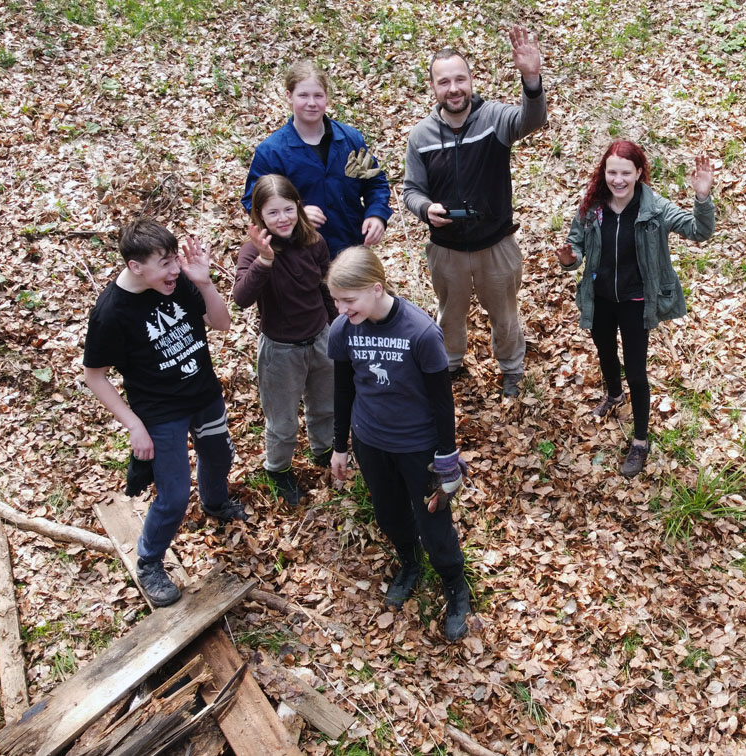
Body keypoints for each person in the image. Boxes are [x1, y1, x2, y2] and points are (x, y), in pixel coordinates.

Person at [83, 219, 247, 607]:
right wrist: (135, 426)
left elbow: (221, 324)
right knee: (173, 495)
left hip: (204, 394)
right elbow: (94, 376)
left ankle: (214, 502)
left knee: (220, 457)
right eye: (164, 263)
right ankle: (150, 561)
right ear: (135, 266)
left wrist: (204, 282)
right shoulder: (111, 313)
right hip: (160, 413)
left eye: (175, 259)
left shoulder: (179, 283)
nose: (174, 270)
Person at [326, 246, 473, 641]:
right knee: (389, 514)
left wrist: (446, 456)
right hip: (371, 442)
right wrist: (340, 444)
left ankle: (455, 585)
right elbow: (342, 389)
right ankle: (409, 563)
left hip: (418, 447)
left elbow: (443, 401)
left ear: (375, 289)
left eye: (348, 300)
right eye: (335, 300)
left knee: (434, 522)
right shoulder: (344, 330)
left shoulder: (420, 332)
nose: (340, 309)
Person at [401, 26, 548, 397]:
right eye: (444, 81)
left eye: (460, 79)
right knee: (449, 315)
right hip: (446, 249)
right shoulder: (420, 136)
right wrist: (425, 209)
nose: (454, 88)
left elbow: (532, 121)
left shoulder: (494, 119)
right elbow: (411, 190)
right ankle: (449, 364)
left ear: (470, 80)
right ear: (433, 88)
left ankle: (511, 368)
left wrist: (531, 80)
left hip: (495, 245)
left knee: (505, 315)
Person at [556, 142, 715, 477]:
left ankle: (640, 441)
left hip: (635, 302)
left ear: (639, 172)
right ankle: (614, 394)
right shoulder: (593, 207)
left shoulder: (654, 209)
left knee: (637, 371)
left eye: (625, 172)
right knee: (604, 351)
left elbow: (700, 232)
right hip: (599, 298)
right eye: (612, 172)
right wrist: (571, 259)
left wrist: (702, 198)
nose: (618, 179)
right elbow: (577, 246)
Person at [233, 174, 336, 506]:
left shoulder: (314, 242)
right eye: (272, 212)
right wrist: (265, 260)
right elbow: (241, 298)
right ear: (259, 215)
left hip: (320, 338)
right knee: (282, 420)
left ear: (298, 208)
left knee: (324, 406)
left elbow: (325, 289)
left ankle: (324, 451)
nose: (282, 219)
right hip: (281, 350)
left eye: (288, 209)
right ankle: (277, 469)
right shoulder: (253, 251)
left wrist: (337, 330)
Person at [243, 60, 392, 258]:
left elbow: (374, 183)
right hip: (299, 256)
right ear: (289, 97)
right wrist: (296, 215)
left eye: (318, 96)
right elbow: (254, 202)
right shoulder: (272, 152)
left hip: (351, 250)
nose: (312, 103)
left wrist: (376, 214)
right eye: (303, 95)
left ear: (327, 98)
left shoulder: (349, 140)